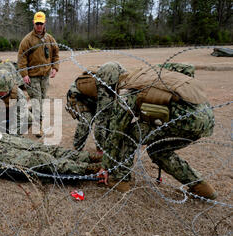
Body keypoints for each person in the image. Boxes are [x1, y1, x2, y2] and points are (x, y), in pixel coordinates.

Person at [93, 62, 217, 200]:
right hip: (205, 116)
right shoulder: (146, 74)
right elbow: (188, 68)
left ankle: (120, 180)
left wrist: (105, 166)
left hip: (185, 120)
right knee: (158, 151)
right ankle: (201, 187)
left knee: (128, 134)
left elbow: (116, 133)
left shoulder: (128, 92)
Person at [66, 63, 195, 152]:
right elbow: (101, 120)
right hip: (78, 97)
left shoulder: (123, 79)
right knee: (87, 120)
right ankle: (77, 149)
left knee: (110, 115)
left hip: (94, 98)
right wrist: (102, 150)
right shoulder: (104, 88)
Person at [18, 11, 60, 137]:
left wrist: (55, 67)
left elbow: (56, 53)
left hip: (45, 76)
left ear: (45, 23)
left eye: (41, 23)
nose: (39, 26)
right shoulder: (27, 40)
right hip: (32, 77)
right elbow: (21, 58)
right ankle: (38, 127)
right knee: (37, 101)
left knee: (41, 100)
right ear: (33, 23)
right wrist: (24, 74)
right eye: (37, 23)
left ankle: (32, 114)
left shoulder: (49, 38)